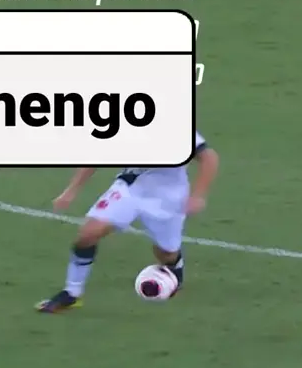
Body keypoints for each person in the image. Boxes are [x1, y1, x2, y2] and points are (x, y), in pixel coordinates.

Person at [35, 132, 219, 313]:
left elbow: (209, 157)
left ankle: (174, 267)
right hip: (129, 188)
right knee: (88, 234)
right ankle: (72, 292)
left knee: (166, 253)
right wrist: (71, 191)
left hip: (168, 198)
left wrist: (198, 195)